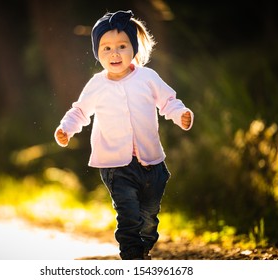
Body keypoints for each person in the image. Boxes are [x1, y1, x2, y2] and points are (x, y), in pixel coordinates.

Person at [54, 10, 194, 260]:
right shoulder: (97, 84)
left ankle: (144, 245)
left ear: (134, 49)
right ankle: (132, 258)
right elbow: (79, 111)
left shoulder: (148, 78)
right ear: (98, 53)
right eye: (106, 48)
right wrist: (66, 129)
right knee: (128, 216)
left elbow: (168, 101)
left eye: (122, 46)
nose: (114, 53)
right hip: (115, 166)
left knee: (149, 218)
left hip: (151, 164)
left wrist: (180, 114)